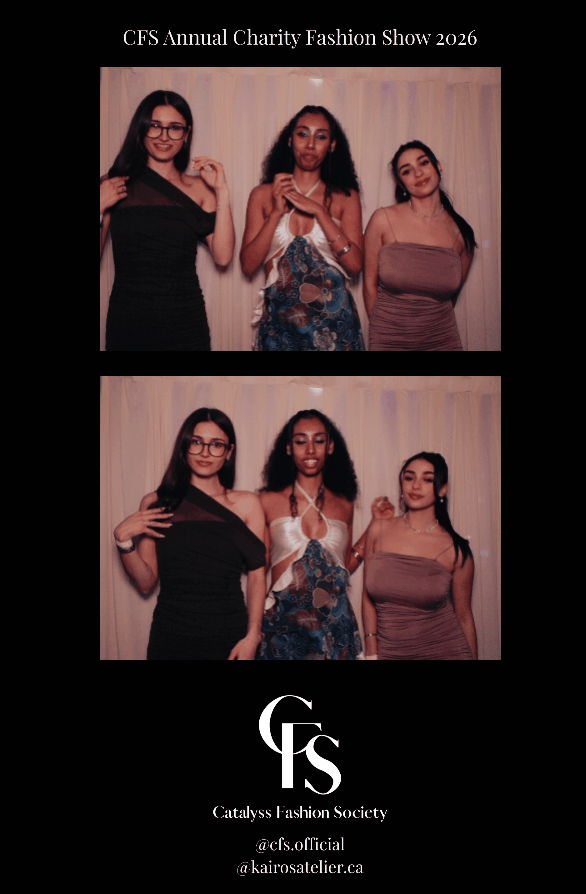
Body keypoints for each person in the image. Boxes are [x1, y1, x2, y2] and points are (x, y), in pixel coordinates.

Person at [113, 408, 266, 660]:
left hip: (229, 637)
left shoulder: (247, 503)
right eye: (196, 442)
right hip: (170, 637)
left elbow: (258, 577)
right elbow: (145, 583)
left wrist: (252, 637)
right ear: (184, 447)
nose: (205, 453)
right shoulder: (156, 502)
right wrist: (123, 542)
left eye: (216, 444)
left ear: (229, 452)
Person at [101, 90, 234, 351]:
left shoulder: (200, 189)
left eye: (174, 128)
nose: (164, 137)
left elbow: (223, 256)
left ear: (186, 133)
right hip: (127, 323)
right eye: (155, 126)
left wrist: (222, 190)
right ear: (141, 130)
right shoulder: (113, 183)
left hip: (185, 322)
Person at [256, 410, 392, 660]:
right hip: (282, 628)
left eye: (318, 440)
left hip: (334, 628)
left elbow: (344, 567)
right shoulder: (267, 501)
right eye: (300, 441)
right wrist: (253, 628)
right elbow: (257, 571)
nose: (310, 450)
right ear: (288, 448)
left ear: (330, 447)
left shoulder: (344, 503)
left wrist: (374, 526)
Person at [241, 105, 365, 351]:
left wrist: (320, 211)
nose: (310, 144)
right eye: (302, 134)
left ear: (331, 145)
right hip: (279, 328)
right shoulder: (263, 195)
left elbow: (355, 266)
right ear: (290, 140)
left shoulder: (345, 197)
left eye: (320, 136)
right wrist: (277, 211)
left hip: (336, 330)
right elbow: (248, 266)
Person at [364, 140, 477, 351]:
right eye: (407, 171)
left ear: (438, 166)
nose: (418, 174)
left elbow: (452, 296)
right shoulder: (382, 219)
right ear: (401, 183)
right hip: (388, 340)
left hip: (443, 340)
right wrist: (383, 331)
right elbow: (369, 286)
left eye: (423, 163)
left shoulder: (461, 233)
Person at [363, 452, 477, 659]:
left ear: (442, 489)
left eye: (428, 479)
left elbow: (464, 617)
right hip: (389, 653)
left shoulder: (456, 550)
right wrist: (371, 650)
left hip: (446, 652)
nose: (416, 486)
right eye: (409, 477)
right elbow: (367, 598)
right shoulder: (378, 529)